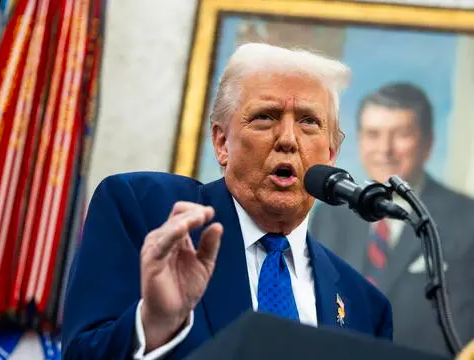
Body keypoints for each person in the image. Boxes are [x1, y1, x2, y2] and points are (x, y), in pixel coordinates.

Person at [61, 43, 393, 360]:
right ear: (222, 142)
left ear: (331, 154)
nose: (289, 139)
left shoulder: (364, 306)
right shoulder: (142, 209)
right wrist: (152, 322)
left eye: (309, 121)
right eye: (266, 116)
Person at [309, 82, 474, 356]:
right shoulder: (331, 216)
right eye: (373, 134)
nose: (385, 149)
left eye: (401, 134)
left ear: (428, 143)